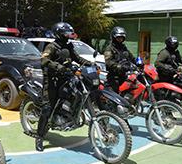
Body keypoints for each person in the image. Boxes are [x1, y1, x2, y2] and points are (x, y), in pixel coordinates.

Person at [36, 22, 93, 152]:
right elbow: (44, 60)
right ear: (59, 33)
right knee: (47, 108)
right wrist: (59, 67)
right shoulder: (52, 46)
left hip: (66, 77)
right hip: (52, 80)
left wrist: (90, 64)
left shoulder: (68, 46)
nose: (68, 35)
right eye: (66, 33)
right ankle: (39, 137)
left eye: (69, 33)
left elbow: (77, 58)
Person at [104, 26, 136, 92]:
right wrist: (119, 66)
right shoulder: (110, 48)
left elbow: (131, 57)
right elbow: (108, 62)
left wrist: (138, 63)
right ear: (114, 37)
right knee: (115, 98)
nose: (120, 39)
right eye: (118, 37)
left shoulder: (123, 48)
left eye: (121, 38)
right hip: (114, 77)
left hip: (124, 76)